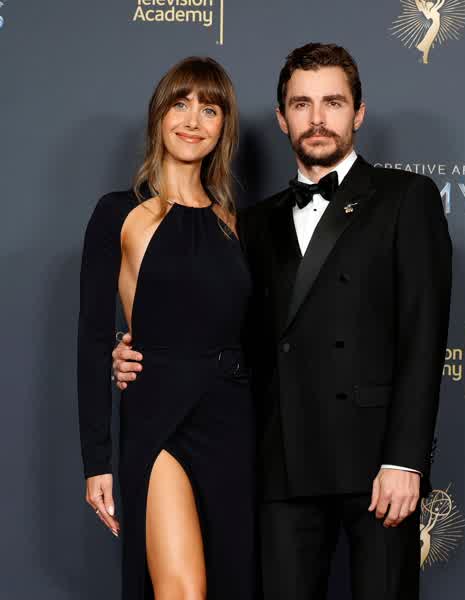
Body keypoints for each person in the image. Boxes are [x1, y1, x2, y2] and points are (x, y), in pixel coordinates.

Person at [112, 43, 453, 599]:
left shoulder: (406, 198)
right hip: (280, 468)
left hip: (375, 466)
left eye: (333, 103)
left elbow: (424, 337)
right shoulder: (249, 223)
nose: (317, 119)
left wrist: (405, 461)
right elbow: (217, 323)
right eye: (301, 104)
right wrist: (132, 347)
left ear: (358, 113)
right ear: (280, 118)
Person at [77, 56, 257, 600]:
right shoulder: (119, 213)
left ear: (224, 127)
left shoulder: (236, 225)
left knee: (230, 584)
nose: (193, 121)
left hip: (232, 418)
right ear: (159, 115)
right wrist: (96, 461)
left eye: (209, 109)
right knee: (181, 589)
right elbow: (92, 338)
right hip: (159, 414)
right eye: (181, 104)